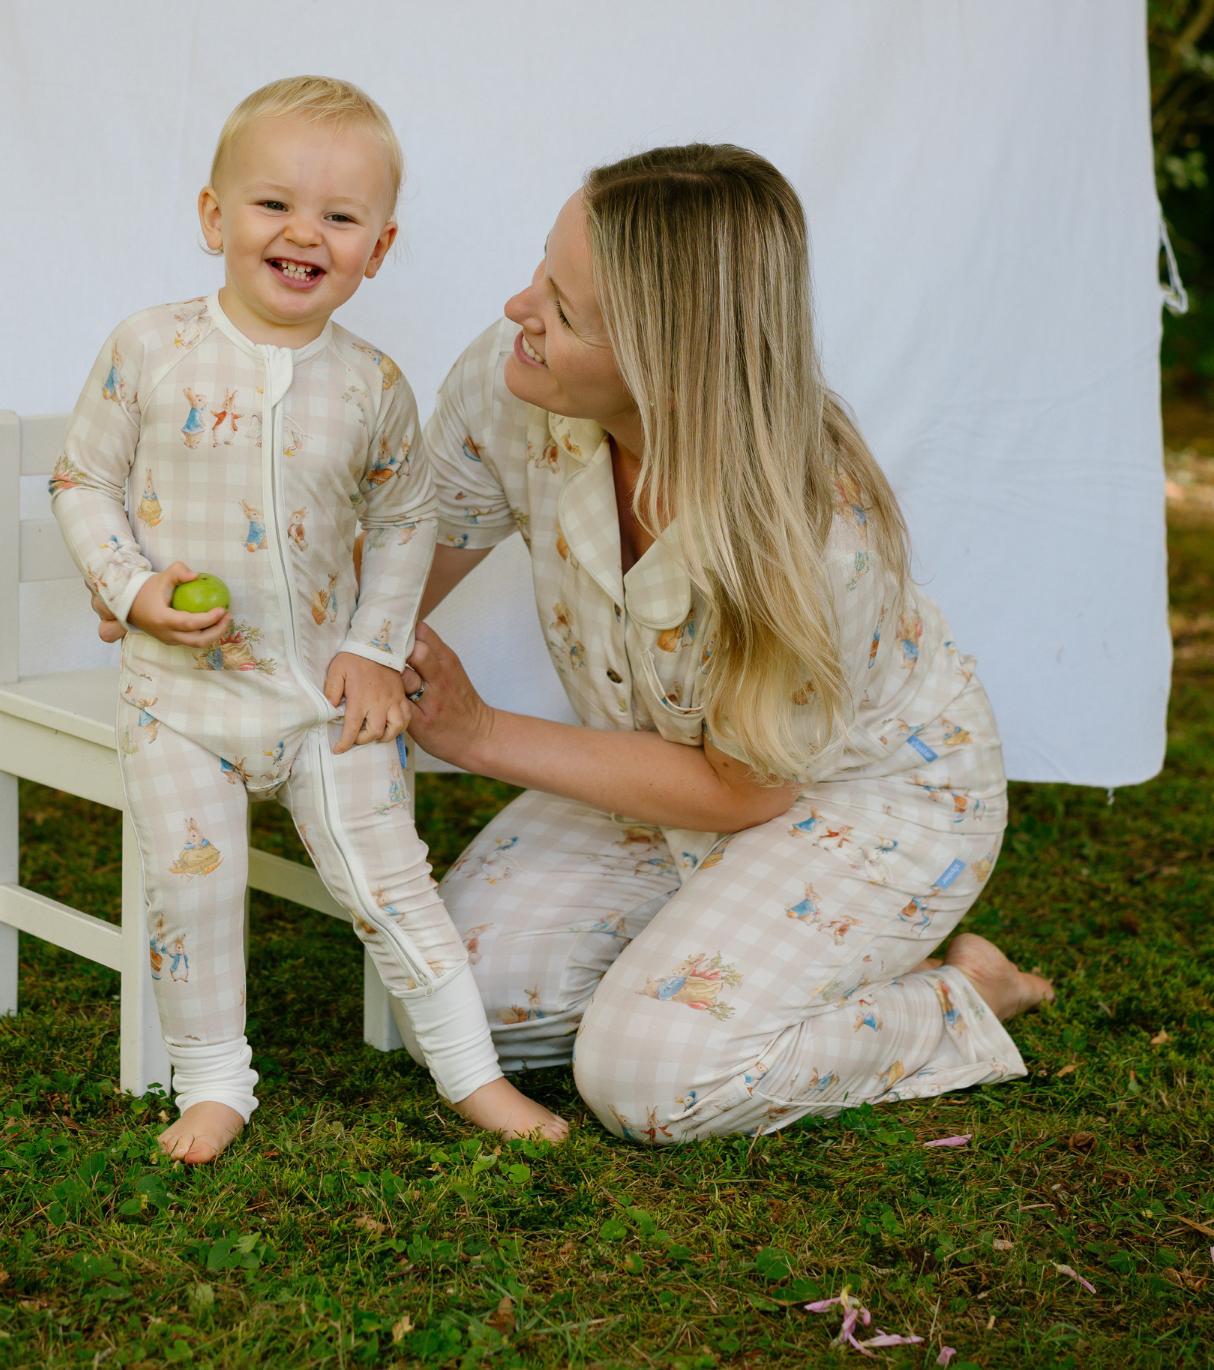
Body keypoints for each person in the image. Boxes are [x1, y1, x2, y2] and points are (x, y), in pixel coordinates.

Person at [397, 143, 1054, 1141]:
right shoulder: (514, 381)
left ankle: (962, 997)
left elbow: (744, 791)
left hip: (859, 794)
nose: (517, 308)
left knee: (649, 1079)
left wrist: (478, 732)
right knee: (458, 1003)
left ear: (667, 370)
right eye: (543, 270)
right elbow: (391, 577)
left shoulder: (808, 536)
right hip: (665, 766)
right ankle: (712, 958)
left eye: (564, 310)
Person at [53, 76, 566, 1165]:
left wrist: (375, 652)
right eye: (274, 204)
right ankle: (213, 1082)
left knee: (392, 879)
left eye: (339, 216)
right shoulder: (149, 347)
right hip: (179, 699)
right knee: (193, 888)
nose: (303, 234)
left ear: (379, 249)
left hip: (323, 697)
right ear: (214, 217)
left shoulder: (373, 383)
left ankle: (472, 1074)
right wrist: (130, 587)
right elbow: (82, 482)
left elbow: (408, 516)